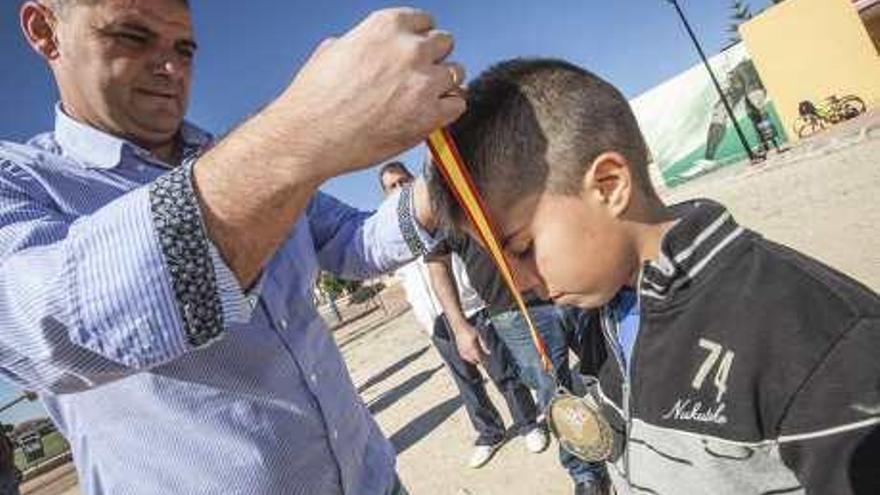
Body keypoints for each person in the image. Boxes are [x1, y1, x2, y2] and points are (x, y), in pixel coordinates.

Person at [0, 1, 466, 494]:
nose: (171, 68)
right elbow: (53, 327)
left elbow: (354, 240)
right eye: (132, 37)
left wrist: (444, 188)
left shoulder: (234, 155)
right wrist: (303, 130)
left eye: (185, 48)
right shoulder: (20, 183)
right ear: (45, 30)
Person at [427, 57, 880, 495]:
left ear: (609, 185)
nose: (519, 284)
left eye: (523, 250)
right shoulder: (607, 308)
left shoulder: (816, 337)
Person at [379, 162, 545, 469]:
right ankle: (489, 433)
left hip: (470, 308)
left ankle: (528, 423)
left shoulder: (438, 216)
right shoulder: (392, 241)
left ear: (414, 181)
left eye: (404, 181)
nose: (400, 189)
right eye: (392, 186)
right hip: (435, 321)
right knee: (466, 383)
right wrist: (426, 320)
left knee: (501, 371)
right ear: (384, 195)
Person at [425, 231, 608, 495]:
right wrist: (459, 326)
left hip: (571, 281)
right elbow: (437, 263)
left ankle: (639, 440)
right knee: (555, 396)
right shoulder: (443, 196)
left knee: (610, 366)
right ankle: (586, 474)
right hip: (515, 311)